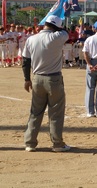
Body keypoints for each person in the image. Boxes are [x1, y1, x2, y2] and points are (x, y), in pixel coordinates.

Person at [21, 15, 70, 152]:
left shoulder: (31, 39)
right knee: (56, 112)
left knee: (35, 112)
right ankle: (57, 143)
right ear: (57, 27)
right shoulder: (57, 37)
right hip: (53, 79)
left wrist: (26, 79)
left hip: (36, 78)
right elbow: (65, 32)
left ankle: (30, 143)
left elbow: (25, 61)